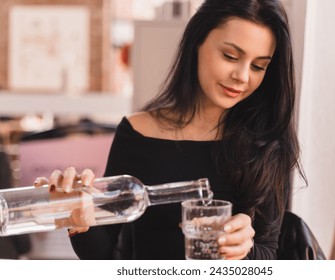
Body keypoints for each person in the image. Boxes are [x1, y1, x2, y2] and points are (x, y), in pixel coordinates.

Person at [34, 0, 305, 260]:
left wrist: (243, 250)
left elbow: (268, 257)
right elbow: (104, 256)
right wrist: (79, 221)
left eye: (259, 66)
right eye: (230, 56)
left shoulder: (266, 143)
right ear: (197, 43)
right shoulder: (137, 134)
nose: (243, 76)